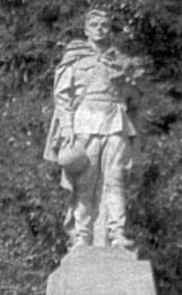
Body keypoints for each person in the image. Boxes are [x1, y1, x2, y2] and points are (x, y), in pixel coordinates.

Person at [43, 9, 142, 250]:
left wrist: (130, 81)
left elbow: (134, 98)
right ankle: (82, 235)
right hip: (85, 122)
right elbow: (62, 97)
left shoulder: (120, 61)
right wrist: (67, 127)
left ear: (110, 30)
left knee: (115, 180)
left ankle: (117, 233)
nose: (99, 29)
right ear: (86, 30)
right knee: (85, 182)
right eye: (95, 25)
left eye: (104, 25)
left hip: (115, 122)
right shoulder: (74, 59)